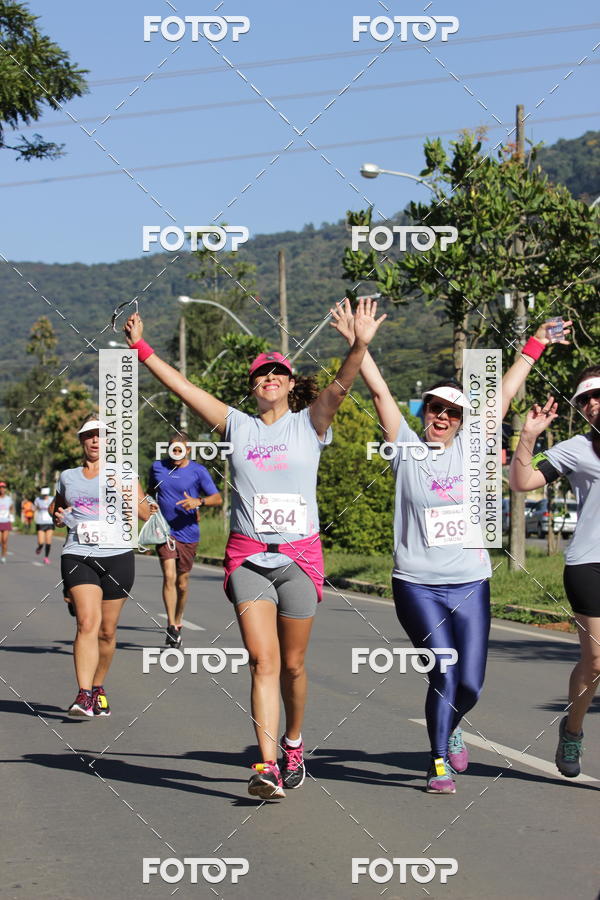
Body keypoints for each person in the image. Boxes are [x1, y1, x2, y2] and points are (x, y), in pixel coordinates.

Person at [123, 300, 385, 798]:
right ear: (253, 386)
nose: (268, 378)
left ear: (289, 384)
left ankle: (293, 742)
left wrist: (359, 344)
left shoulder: (310, 423)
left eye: (277, 373)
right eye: (260, 374)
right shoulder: (236, 427)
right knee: (262, 662)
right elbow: (184, 388)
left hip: (299, 557)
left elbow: (344, 384)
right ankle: (266, 766)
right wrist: (141, 349)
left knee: (292, 665)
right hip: (248, 558)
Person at [331, 299, 571, 793]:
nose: (441, 416)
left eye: (451, 411)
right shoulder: (405, 449)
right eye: (435, 408)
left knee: (471, 684)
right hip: (417, 585)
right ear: (425, 414)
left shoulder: (471, 448)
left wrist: (537, 345)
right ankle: (438, 761)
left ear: (462, 421)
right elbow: (378, 391)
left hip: (469, 583)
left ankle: (453, 724)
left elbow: (501, 396)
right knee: (444, 667)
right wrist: (360, 343)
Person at [509, 364, 600, 778]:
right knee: (596, 661)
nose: (593, 404)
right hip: (588, 563)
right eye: (585, 400)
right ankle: (573, 730)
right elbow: (523, 481)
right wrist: (528, 437)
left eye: (598, 395)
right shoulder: (575, 448)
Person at [53, 417, 154, 717]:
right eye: (89, 436)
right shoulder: (68, 476)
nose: (95, 441)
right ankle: (83, 695)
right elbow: (58, 507)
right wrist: (60, 517)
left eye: (101, 436)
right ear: (81, 440)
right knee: (87, 622)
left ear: (109, 442)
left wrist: (127, 496)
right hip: (78, 553)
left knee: (107, 632)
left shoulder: (124, 473)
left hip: (118, 555)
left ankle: (97, 687)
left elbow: (147, 513)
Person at [148, 432, 222, 648]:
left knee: (182, 582)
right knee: (169, 576)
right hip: (165, 530)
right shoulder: (157, 468)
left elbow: (217, 498)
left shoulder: (198, 471)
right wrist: (151, 504)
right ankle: (171, 625)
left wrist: (198, 502)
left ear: (188, 450)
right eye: (172, 448)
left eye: (180, 449)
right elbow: (150, 491)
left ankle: (178, 620)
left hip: (188, 532)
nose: (176, 453)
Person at [34, 487, 54, 564]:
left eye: (46, 494)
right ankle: (39, 547)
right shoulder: (38, 500)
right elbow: (34, 508)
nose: (45, 496)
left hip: (50, 523)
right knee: (41, 542)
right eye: (44, 494)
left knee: (48, 541)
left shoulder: (52, 499)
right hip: (40, 522)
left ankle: (46, 557)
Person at [0, 482, 14, 564]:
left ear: (5, 489)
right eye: (1, 487)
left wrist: (11, 516)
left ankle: (3, 556)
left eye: (3, 487)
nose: (2, 489)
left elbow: (11, 508)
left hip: (6, 522)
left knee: (4, 541)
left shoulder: (8, 499)